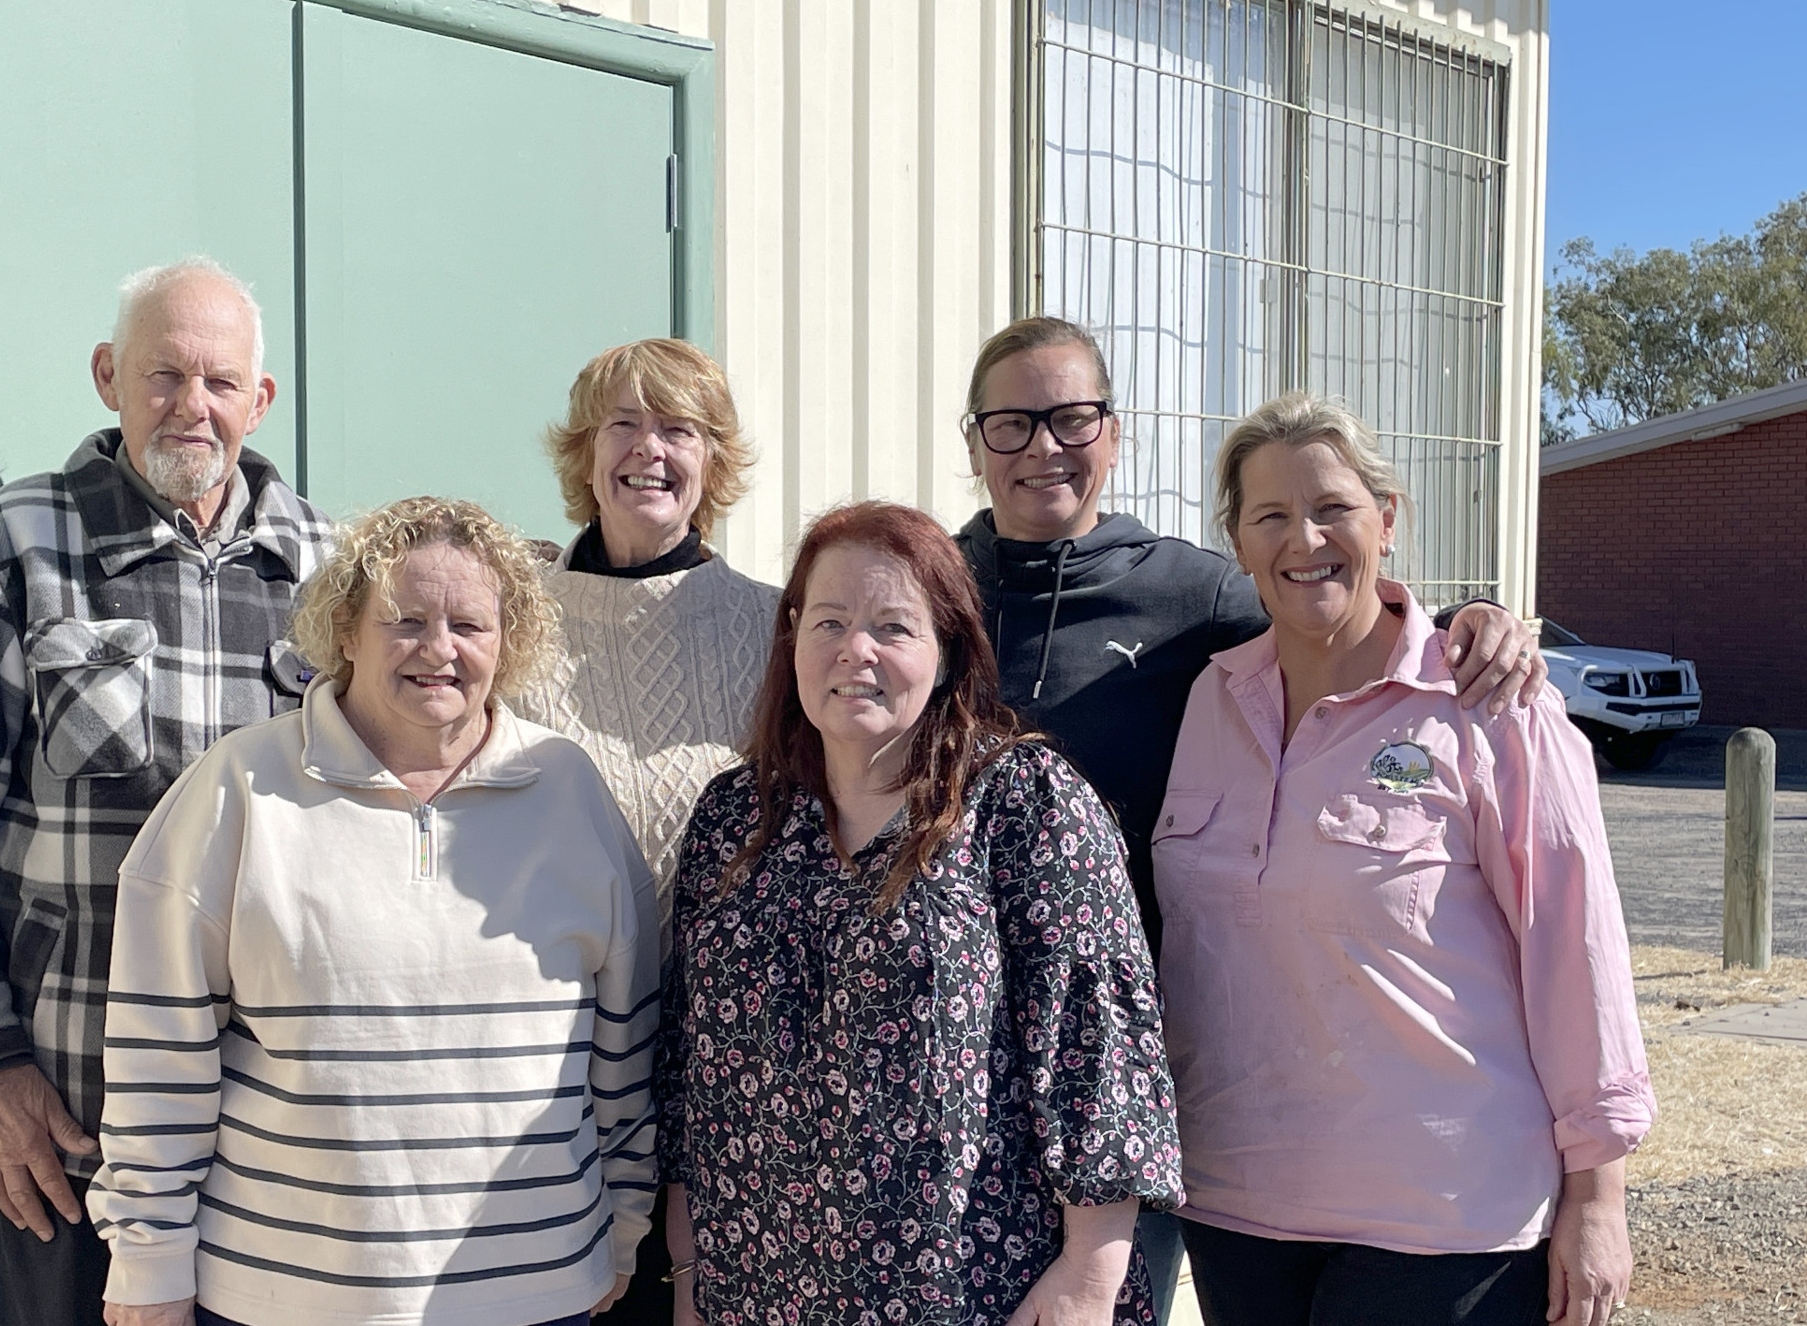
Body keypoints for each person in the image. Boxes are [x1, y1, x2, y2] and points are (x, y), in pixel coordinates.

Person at [950, 316, 1548, 1320]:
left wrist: (1466, 622)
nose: (1042, 447)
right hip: (946, 1048)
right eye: (1010, 423)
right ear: (971, 442)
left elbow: (1331, 599)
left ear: (1113, 432)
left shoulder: (1193, 596)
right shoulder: (931, 590)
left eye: (1069, 417)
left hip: (1125, 1074)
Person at [0, 258, 335, 1326]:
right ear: (107, 377)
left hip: (282, 1152)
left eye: (220, 382)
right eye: (162, 375)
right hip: (74, 1137)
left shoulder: (326, 567)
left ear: (259, 401)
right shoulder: (16, 544)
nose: (191, 406)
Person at [88, 496, 660, 1326]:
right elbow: (157, 1056)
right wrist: (149, 1262)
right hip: (282, 1297)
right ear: (344, 631)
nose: (440, 649)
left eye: (471, 624)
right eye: (405, 619)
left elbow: (627, 1054)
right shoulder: (239, 788)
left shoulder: (570, 790)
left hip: (540, 1289)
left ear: (509, 643)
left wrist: (623, 1229)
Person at [1152, 394, 1653, 1326]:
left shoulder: (1492, 706)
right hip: (1236, 1201)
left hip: (1444, 1223)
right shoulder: (1210, 701)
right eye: (1270, 515)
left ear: (1387, 518)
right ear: (1238, 540)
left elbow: (1576, 956)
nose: (1305, 538)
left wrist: (1598, 1199)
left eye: (1333, 506)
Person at [657, 501, 1183, 1326]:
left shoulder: (1025, 804)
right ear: (792, 636)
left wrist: (1091, 1275)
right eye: (828, 619)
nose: (854, 649)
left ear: (945, 652)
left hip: (978, 1291)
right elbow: (691, 1069)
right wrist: (688, 1274)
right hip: (758, 1288)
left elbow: (1099, 1052)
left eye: (892, 626)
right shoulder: (735, 818)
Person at [513, 338, 779, 1323]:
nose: (648, 450)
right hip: (551, 1070)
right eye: (622, 424)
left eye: (679, 428)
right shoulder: (512, 622)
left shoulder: (776, 629)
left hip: (727, 1073)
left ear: (713, 459)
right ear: (583, 453)